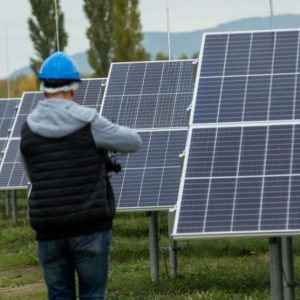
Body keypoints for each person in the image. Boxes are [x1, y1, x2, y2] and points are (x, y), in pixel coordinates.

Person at [20, 51, 142, 300]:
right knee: (92, 295)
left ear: (43, 88)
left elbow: (32, 172)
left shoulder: (28, 129)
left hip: (49, 230)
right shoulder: (89, 121)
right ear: (74, 89)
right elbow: (133, 142)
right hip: (90, 228)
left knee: (59, 295)